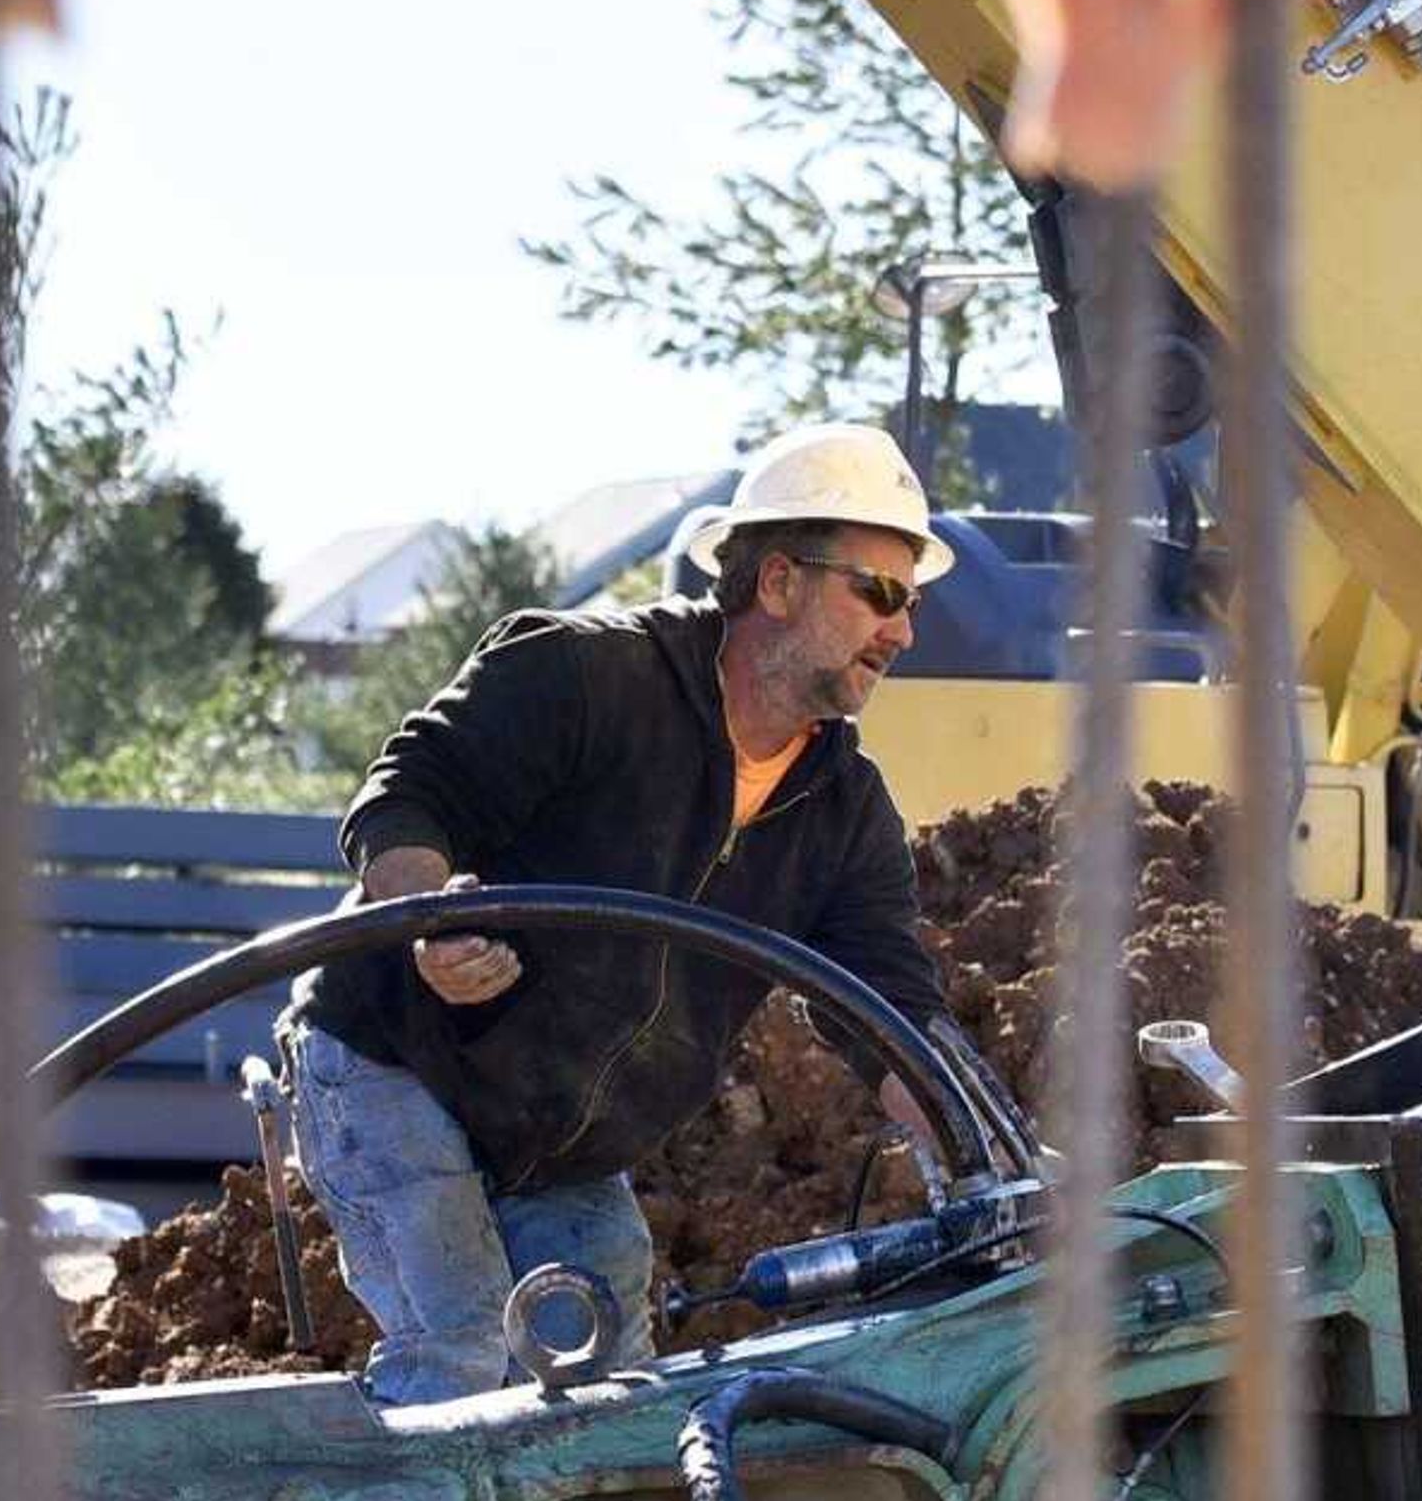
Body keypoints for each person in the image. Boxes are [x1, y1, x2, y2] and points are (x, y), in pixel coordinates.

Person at [281, 424, 960, 1404]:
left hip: (563, 1143)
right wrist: (428, 920)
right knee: (464, 1351)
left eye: (912, 602)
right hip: (396, 1069)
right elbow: (409, 793)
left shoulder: (843, 811)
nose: (903, 631)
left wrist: (982, 1138)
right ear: (777, 581)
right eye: (881, 594)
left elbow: (888, 1006)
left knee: (604, 1390)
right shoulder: (585, 676)